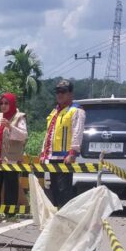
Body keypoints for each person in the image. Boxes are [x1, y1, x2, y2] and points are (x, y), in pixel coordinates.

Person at [40, 80, 86, 208]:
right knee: (54, 190)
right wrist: (44, 153)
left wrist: (72, 153)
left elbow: (77, 133)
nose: (59, 95)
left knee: (64, 191)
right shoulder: (55, 111)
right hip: (53, 157)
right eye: (58, 92)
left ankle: (66, 220)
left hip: (65, 157)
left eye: (63, 92)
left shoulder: (76, 110)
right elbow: (49, 133)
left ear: (71, 94)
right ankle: (57, 218)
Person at [0, 93, 28, 207]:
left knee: (10, 185)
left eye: (6, 103)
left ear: (12, 104)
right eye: (1, 103)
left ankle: (10, 211)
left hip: (11, 158)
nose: (3, 106)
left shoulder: (19, 117)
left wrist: (10, 126)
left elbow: (24, 135)